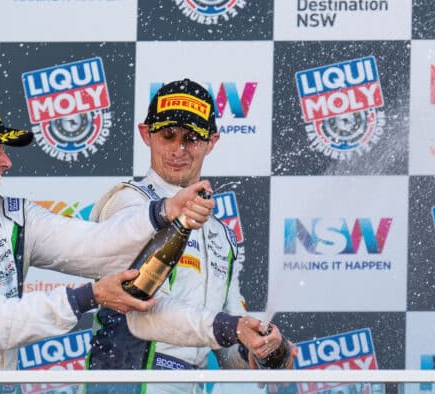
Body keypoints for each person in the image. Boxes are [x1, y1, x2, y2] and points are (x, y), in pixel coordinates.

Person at [0, 90, 214, 372]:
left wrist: (164, 210)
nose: (6, 161)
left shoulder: (13, 215)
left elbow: (96, 246)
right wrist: (88, 297)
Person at [87, 78, 295, 392]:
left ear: (212, 141)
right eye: (168, 135)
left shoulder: (220, 234)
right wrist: (233, 328)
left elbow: (225, 351)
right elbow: (145, 312)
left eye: (192, 138)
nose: (178, 149)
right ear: (146, 135)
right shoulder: (128, 202)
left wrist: (258, 348)